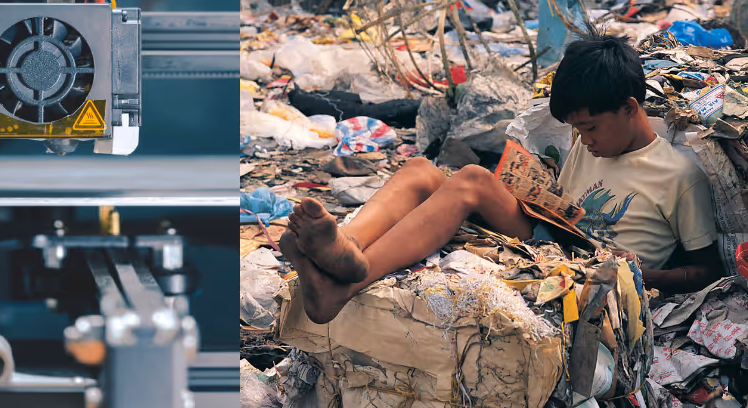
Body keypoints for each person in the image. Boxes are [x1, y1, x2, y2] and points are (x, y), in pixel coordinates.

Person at [280, 26, 725, 325]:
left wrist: (644, 274)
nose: (585, 139)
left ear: (629, 108)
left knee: (472, 179)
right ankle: (344, 247)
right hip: (554, 238)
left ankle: (343, 287)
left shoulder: (679, 174)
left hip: (590, 272)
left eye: (590, 127)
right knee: (419, 170)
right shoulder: (589, 143)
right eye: (577, 129)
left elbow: (706, 270)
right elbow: (565, 206)